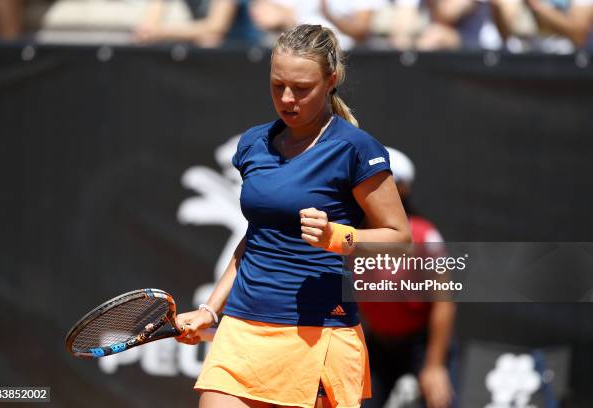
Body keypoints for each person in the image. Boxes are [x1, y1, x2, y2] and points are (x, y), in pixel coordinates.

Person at [174, 24, 412, 408]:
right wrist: (209, 310)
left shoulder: (355, 148)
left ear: (331, 80)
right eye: (277, 85)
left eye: (302, 88)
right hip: (242, 330)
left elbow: (400, 238)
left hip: (318, 335)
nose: (287, 98)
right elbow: (256, 236)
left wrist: (338, 237)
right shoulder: (253, 143)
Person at [359, 148, 458, 408]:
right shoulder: (353, 233)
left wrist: (435, 366)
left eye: (383, 182)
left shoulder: (425, 236)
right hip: (378, 345)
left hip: (422, 345)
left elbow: (443, 302)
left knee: (440, 400)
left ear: (401, 190)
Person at [250, 0, 386, 50]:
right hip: (299, 54)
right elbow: (264, 13)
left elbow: (361, 29)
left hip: (345, 58)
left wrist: (330, 16)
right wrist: (283, 19)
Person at [134, 0, 261, 47]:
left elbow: (216, 27)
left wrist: (161, 32)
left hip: (244, 51)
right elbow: (149, 27)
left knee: (210, 42)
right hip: (205, 47)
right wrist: (149, 32)